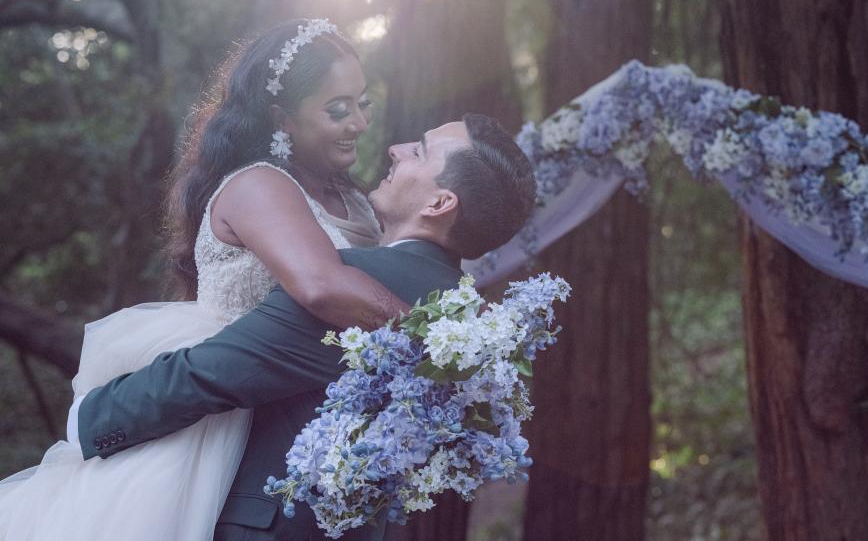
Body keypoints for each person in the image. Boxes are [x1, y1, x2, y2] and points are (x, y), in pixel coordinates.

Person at [0, 18, 410, 540]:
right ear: (281, 117)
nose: (359, 122)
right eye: (338, 109)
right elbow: (321, 286)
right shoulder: (259, 185)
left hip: (311, 425)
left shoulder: (350, 198)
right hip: (225, 411)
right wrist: (447, 337)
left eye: (363, 101)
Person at [77, 113, 537, 541]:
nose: (396, 149)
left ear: (440, 202)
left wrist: (93, 419)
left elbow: (211, 373)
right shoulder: (471, 325)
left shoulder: (356, 279)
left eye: (419, 150)